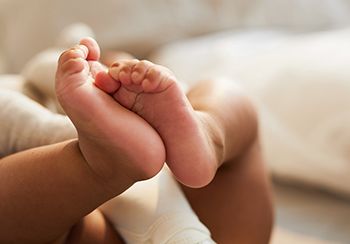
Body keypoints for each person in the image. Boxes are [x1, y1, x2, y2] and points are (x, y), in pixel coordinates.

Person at [0, 37, 273, 243]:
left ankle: (96, 167)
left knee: (31, 213)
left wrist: (114, 64)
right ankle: (209, 133)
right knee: (229, 99)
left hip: (91, 215)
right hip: (205, 205)